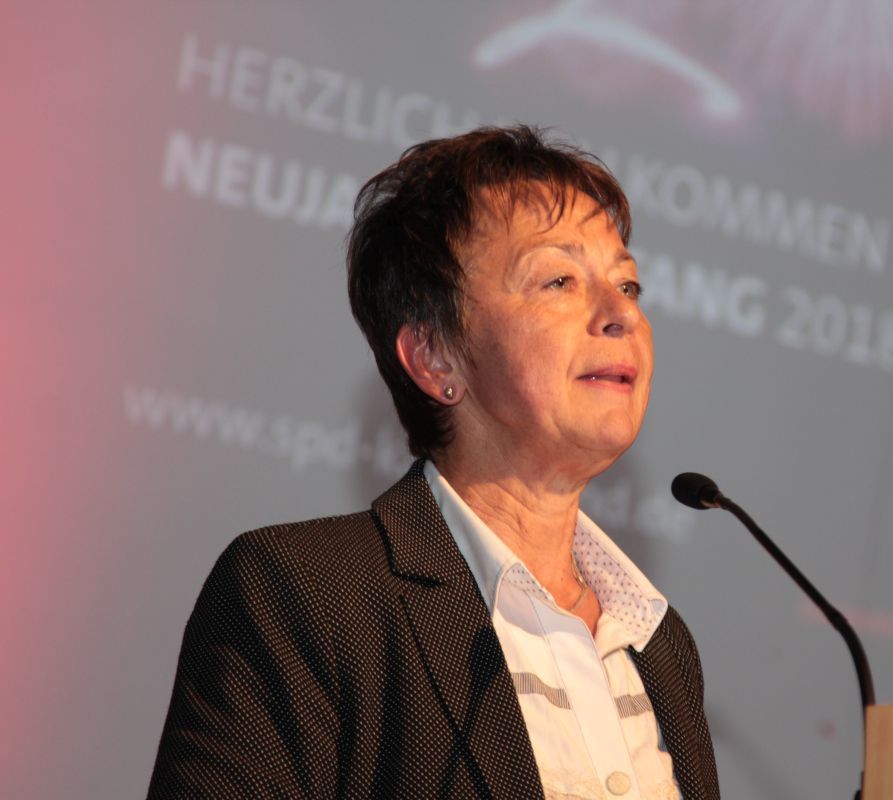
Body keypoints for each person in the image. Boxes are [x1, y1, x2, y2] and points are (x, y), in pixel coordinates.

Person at [147, 125, 719, 799]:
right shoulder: (304, 595)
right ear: (435, 356)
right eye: (559, 280)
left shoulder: (658, 643)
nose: (620, 313)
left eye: (629, 284)